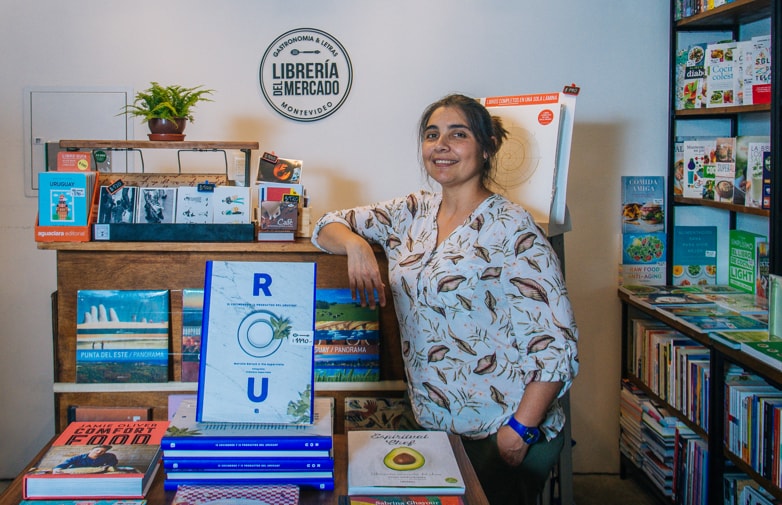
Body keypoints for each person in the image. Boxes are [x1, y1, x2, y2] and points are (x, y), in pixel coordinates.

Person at [311, 93, 579, 504]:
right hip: (436, 424)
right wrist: (356, 246)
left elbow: (557, 345)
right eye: (432, 134)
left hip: (501, 429)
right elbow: (327, 224)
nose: (441, 145)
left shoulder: (513, 228)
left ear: (487, 147)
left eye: (458, 134)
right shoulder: (413, 211)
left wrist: (519, 430)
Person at [52, 445, 118, 473]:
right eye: (97, 450)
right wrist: (58, 468)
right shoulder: (79, 458)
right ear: (91, 450)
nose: (99, 452)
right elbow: (67, 463)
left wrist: (108, 466)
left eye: (102, 451)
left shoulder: (108, 456)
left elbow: (113, 462)